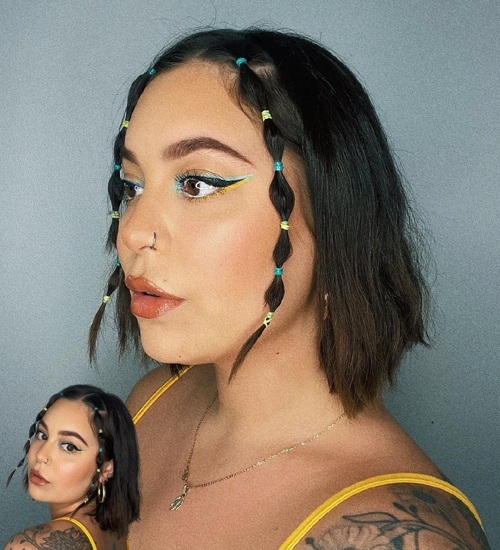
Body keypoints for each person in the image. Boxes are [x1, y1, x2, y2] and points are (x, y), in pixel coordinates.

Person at [89, 28, 490, 549]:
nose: (133, 232)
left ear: (332, 212)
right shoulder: (151, 404)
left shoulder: (391, 537)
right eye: (132, 186)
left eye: (198, 184)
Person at [4, 385, 140, 550]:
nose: (40, 455)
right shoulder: (116, 534)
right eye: (42, 435)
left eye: (69, 447)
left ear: (107, 469)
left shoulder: (28, 546)